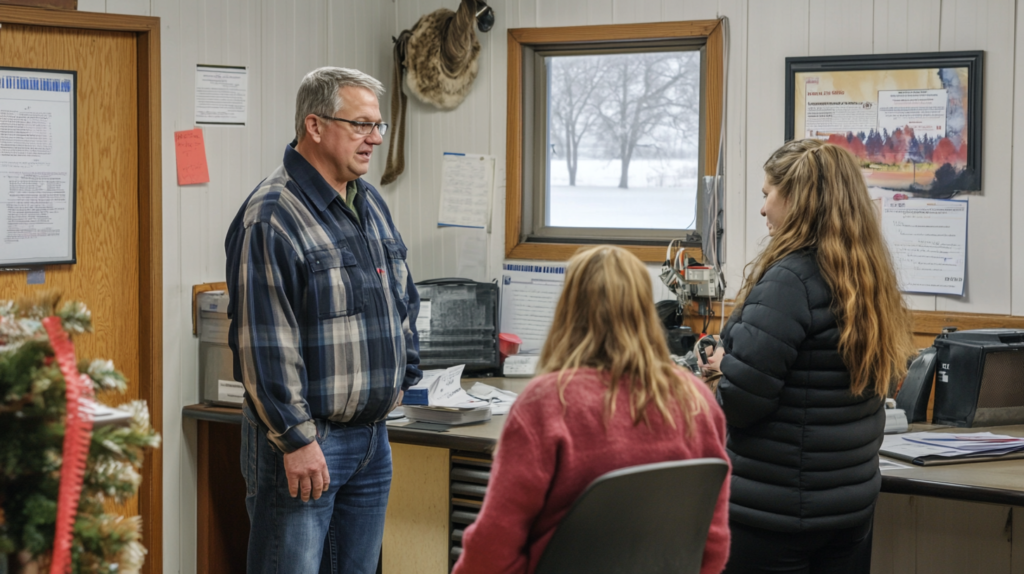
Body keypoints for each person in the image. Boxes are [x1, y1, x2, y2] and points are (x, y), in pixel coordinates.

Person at [224, 67, 421, 574]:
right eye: (360, 125)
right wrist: (297, 440)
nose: (374, 139)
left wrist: (405, 375)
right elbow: (264, 345)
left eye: (379, 127)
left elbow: (402, 296)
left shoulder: (368, 202)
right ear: (314, 126)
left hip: (372, 439)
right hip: (309, 443)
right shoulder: (272, 215)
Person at [701, 139, 917, 574]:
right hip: (849, 510)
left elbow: (744, 402)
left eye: (767, 195)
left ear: (796, 199)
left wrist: (723, 366)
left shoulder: (789, 279)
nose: (763, 209)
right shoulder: (868, 277)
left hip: (777, 516)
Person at [453, 245, 732, 574]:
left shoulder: (546, 404)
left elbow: (493, 548)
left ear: (568, 311)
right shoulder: (696, 400)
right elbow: (711, 542)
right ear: (645, 312)